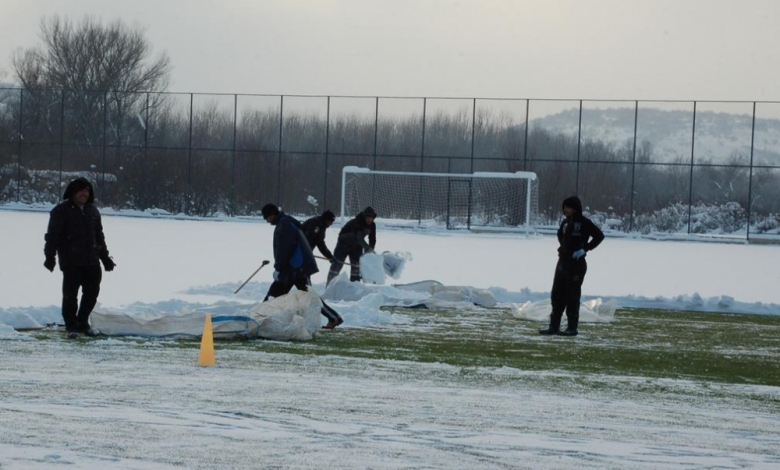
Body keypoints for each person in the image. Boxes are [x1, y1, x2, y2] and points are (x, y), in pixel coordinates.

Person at [43, 177, 116, 338]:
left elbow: (99, 236)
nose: (84, 193)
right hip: (71, 261)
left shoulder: (93, 211)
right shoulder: (61, 211)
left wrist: (105, 258)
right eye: (81, 190)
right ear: (73, 192)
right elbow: (52, 236)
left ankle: (83, 322)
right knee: (70, 295)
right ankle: (71, 325)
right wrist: (50, 256)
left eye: (87, 191)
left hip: (92, 260)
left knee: (92, 293)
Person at [261, 204, 343, 329]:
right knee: (276, 293)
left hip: (296, 268)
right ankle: (261, 317)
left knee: (309, 297)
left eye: (266, 217)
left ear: (272, 215)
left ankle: (260, 318)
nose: (266, 221)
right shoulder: (287, 222)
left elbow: (285, 249)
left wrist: (279, 267)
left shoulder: (285, 225)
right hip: (294, 267)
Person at [539, 196, 604, 337]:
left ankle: (572, 327)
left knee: (572, 296)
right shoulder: (565, 223)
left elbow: (599, 236)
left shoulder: (585, 223)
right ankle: (554, 326)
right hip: (562, 263)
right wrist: (564, 249)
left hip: (576, 265)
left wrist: (584, 249)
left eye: (568, 207)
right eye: (564, 207)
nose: (565, 209)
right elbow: (561, 237)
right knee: (557, 295)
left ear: (575, 208)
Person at [327, 206, 377, 286]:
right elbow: (359, 238)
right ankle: (329, 286)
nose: (369, 220)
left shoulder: (372, 225)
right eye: (368, 217)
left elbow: (372, 239)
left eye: (371, 217)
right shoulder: (357, 222)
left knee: (356, 267)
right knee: (337, 266)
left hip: (356, 246)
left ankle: (354, 287)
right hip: (343, 244)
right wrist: (368, 249)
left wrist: (370, 252)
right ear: (364, 217)